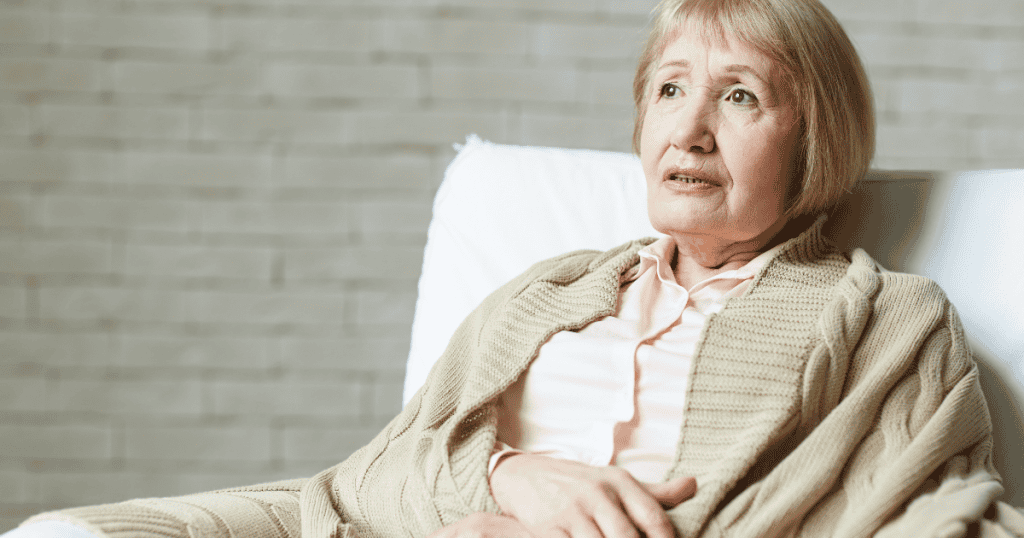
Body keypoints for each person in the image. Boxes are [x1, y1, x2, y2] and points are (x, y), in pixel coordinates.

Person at [8, 0, 1023, 537]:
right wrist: (505, 476)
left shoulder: (884, 314)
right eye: (669, 88)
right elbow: (374, 473)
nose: (692, 127)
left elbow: (937, 510)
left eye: (741, 97)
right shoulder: (548, 290)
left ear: (817, 141)